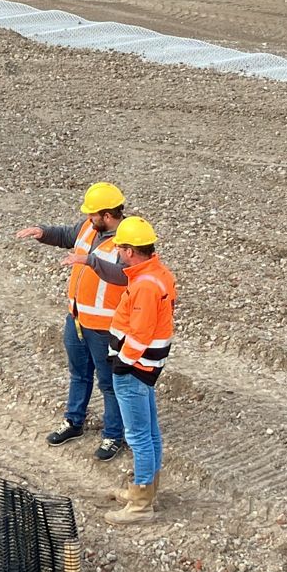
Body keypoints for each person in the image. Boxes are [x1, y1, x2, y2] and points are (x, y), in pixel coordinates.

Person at [16, 182, 127, 460]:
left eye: (93, 214)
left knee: (109, 383)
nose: (89, 219)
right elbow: (67, 235)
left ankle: (113, 436)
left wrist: (89, 261)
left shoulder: (128, 240)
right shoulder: (89, 227)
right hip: (77, 319)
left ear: (107, 214)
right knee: (78, 375)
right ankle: (73, 421)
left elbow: (123, 276)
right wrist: (43, 233)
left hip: (104, 328)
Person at [100, 215, 176, 526]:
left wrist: (123, 362)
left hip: (135, 368)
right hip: (147, 367)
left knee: (139, 435)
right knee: (151, 431)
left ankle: (142, 503)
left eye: (120, 248)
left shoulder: (144, 284)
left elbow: (141, 332)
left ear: (131, 250)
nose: (117, 253)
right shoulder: (158, 273)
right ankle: (145, 490)